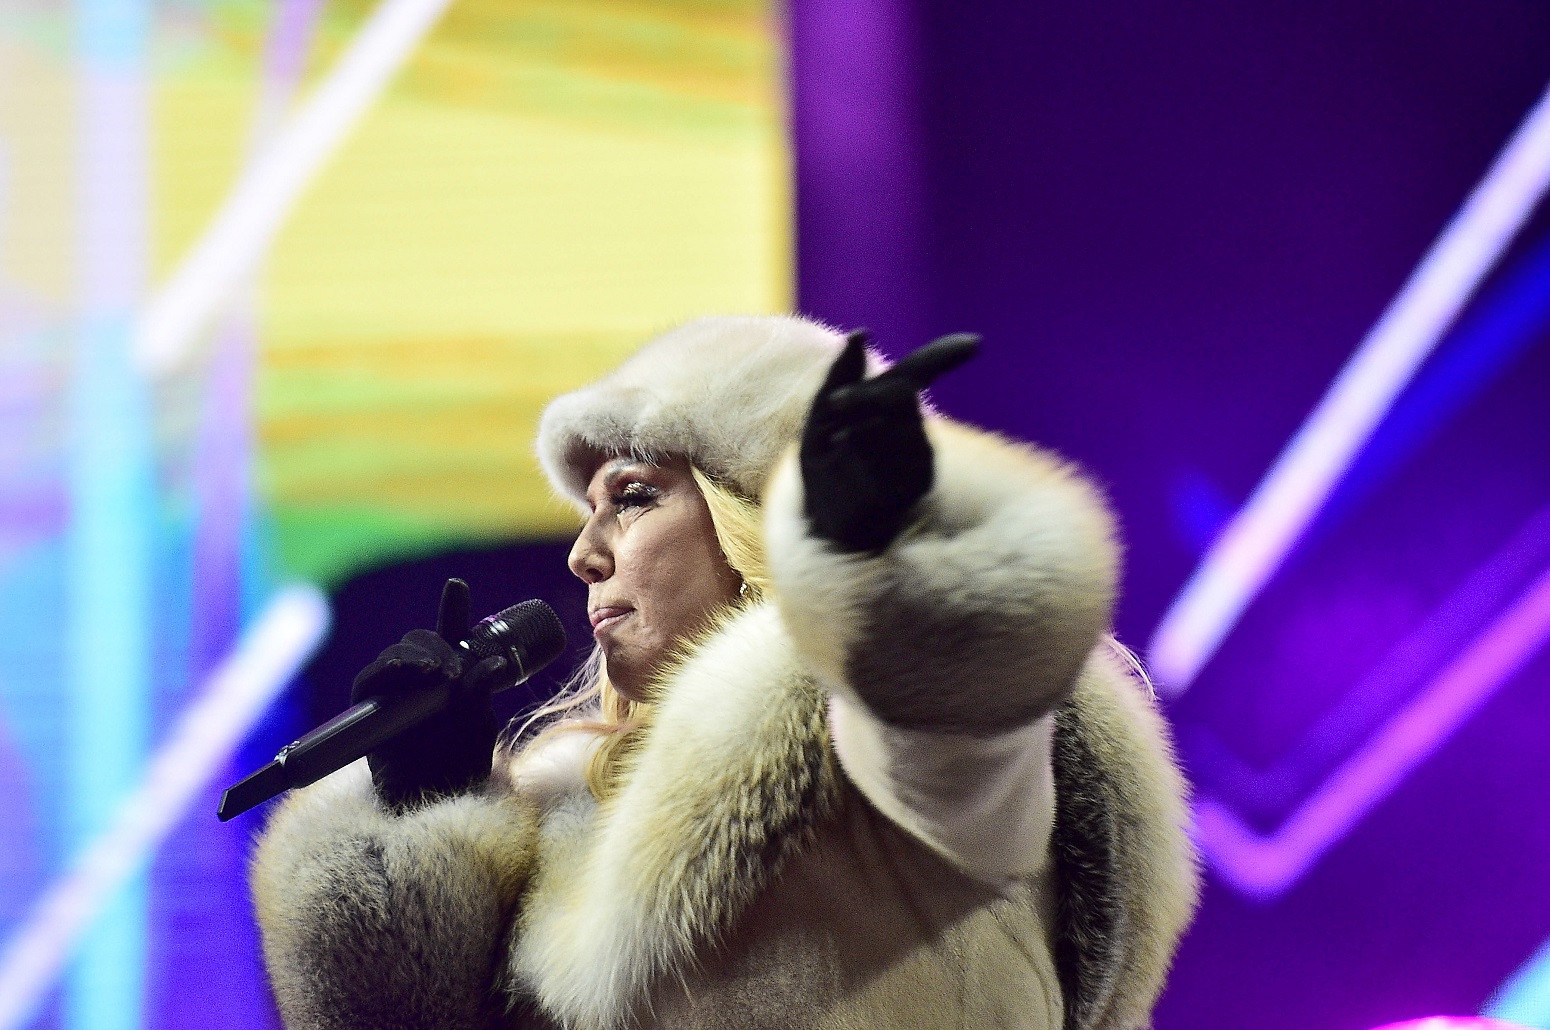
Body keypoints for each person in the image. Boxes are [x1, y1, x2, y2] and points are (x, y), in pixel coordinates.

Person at [250, 314, 1199, 1030]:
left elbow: (950, 690)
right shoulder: (561, 810)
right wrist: (427, 810)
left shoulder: (897, 756)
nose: (583, 554)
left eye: (632, 498)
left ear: (759, 515)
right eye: (588, 512)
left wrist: (887, 561)